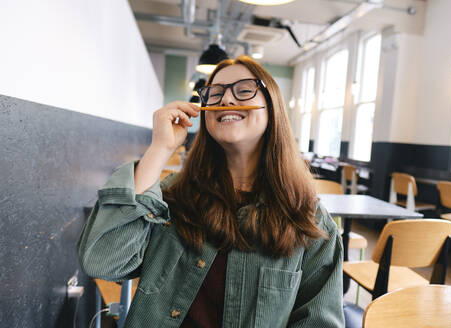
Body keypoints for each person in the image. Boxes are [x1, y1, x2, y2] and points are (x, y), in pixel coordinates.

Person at [77, 55, 344, 328]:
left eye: (243, 90)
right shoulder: (173, 198)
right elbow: (103, 262)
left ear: (271, 106)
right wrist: (159, 150)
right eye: (214, 94)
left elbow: (319, 321)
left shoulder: (308, 219)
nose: (226, 101)